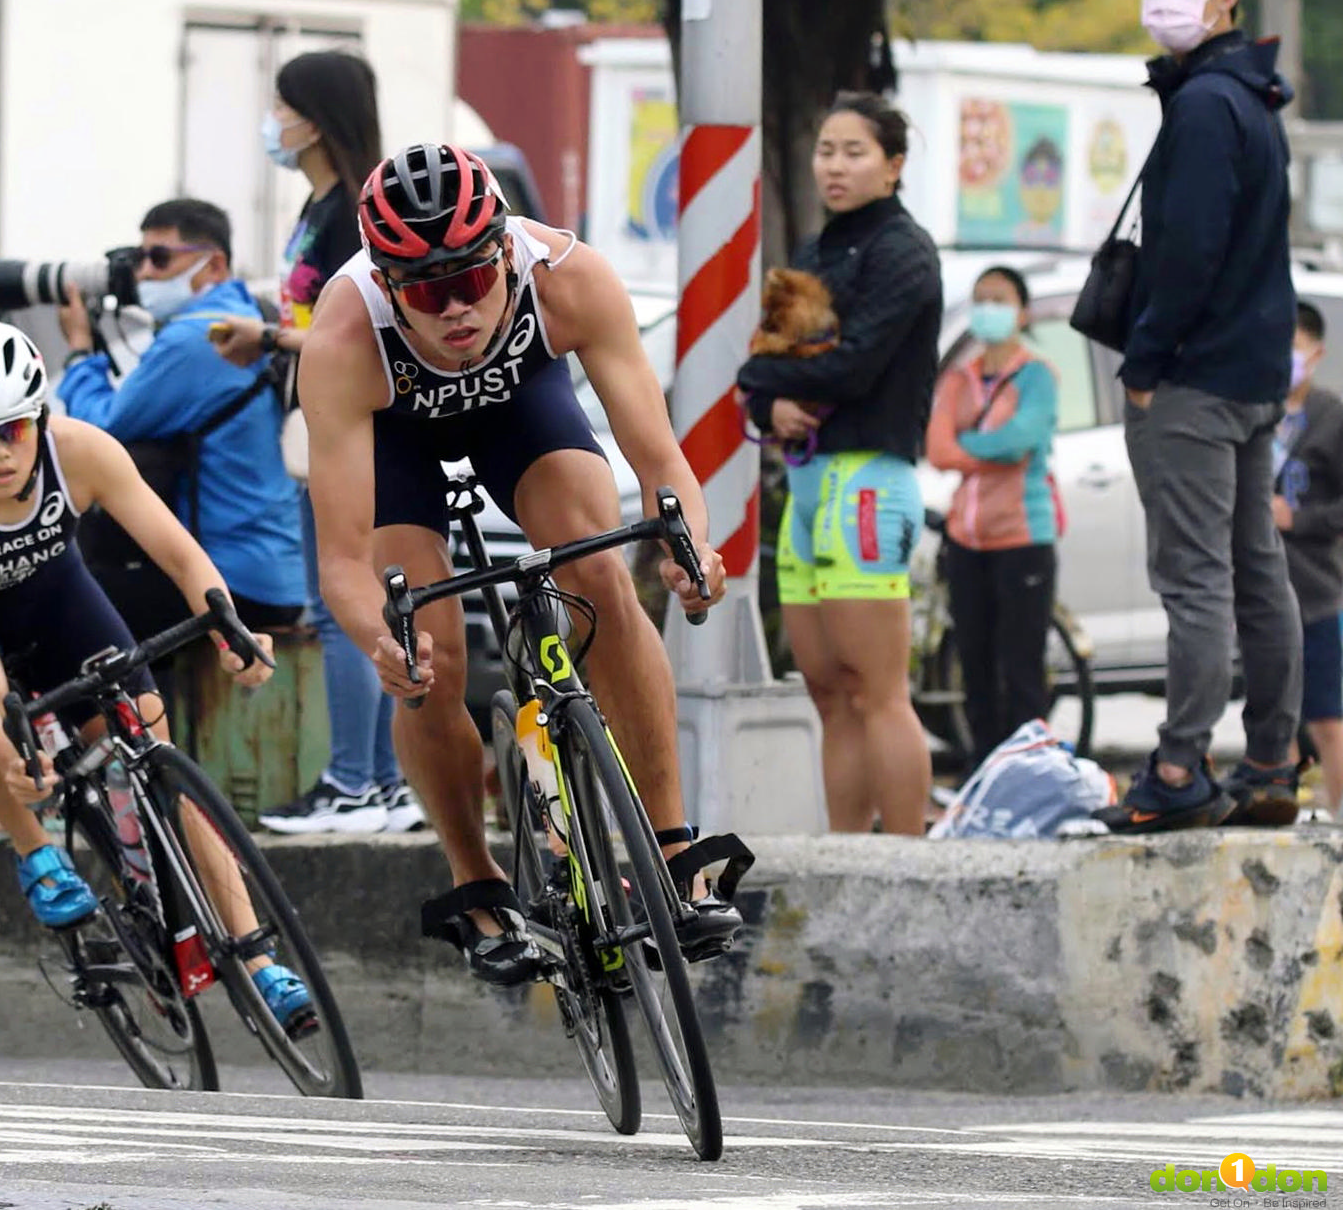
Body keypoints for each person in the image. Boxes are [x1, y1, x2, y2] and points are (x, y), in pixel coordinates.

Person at [298, 141, 738, 986]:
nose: (457, 307)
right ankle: (477, 878)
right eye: (428, 291)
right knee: (427, 648)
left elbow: (660, 460)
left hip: (519, 407)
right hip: (396, 437)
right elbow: (345, 561)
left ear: (507, 250)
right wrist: (380, 645)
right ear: (390, 286)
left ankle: (673, 847)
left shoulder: (570, 277)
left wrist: (692, 549)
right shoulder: (344, 336)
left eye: (472, 277)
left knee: (601, 573)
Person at [0, 316, 313, 1028]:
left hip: (56, 599)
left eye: (15, 429)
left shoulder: (80, 450)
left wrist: (228, 628)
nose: (0, 451)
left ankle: (261, 960)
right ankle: (34, 848)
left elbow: (179, 554)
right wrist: (9, 756)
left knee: (152, 741)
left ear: (39, 419)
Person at [1094, 0, 1301, 834]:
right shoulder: (1248, 97)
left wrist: (1145, 363)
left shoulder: (1210, 106)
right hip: (1251, 378)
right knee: (1257, 573)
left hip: (1196, 383)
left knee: (1196, 580)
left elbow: (1189, 252)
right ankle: (1268, 764)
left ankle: (1180, 764)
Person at [209, 50, 418, 835]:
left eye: (282, 105)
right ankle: (387, 784)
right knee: (362, 602)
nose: (274, 121)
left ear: (317, 116)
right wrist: (271, 332)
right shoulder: (321, 206)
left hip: (346, 431)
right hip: (324, 424)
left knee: (342, 605)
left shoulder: (355, 214)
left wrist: (265, 334)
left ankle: (355, 781)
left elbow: (358, 334)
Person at [737, 92, 941, 837]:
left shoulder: (904, 253)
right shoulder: (818, 252)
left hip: (868, 485)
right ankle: (848, 852)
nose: (835, 165)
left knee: (879, 688)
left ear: (893, 166)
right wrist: (768, 407)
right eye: (826, 150)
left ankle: (909, 858)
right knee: (827, 689)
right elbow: (760, 364)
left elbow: (853, 367)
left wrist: (768, 386)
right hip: (808, 484)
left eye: (854, 152)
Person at [54, 198, 304, 638]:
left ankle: (131, 709)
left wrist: (78, 351)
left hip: (229, 579)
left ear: (214, 265)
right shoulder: (250, 312)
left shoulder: (195, 340)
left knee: (60, 606)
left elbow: (101, 427)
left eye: (160, 258)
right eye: (139, 258)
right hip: (277, 571)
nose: (144, 273)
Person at [925, 265, 1062, 770]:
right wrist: (981, 453)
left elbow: (1020, 440)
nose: (988, 308)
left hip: (1022, 536)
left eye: (999, 299)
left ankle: (1030, 771)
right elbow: (938, 448)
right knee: (975, 666)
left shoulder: (1038, 375)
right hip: (967, 538)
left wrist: (967, 448)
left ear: (1022, 311)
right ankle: (985, 770)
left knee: (1022, 666)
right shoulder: (959, 378)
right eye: (980, 298)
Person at [1267, 302, 1343, 820]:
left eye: (1292, 346)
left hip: (1317, 590)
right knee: (1274, 714)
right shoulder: (1257, 411)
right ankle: (1285, 810)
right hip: (1264, 590)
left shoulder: (1331, 417)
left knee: (1326, 718)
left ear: (1315, 354)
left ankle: (1337, 815)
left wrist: (1298, 520)